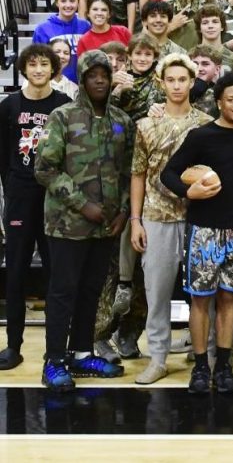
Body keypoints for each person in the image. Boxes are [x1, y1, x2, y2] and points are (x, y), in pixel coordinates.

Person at [35, 51, 132, 392]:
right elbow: (45, 168)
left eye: (105, 74)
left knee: (92, 291)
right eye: (93, 75)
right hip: (66, 224)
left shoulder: (121, 120)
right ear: (83, 78)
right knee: (63, 292)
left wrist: (122, 211)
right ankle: (54, 361)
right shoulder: (62, 116)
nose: (100, 80)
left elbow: (126, 172)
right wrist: (82, 204)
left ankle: (81, 353)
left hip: (106, 226)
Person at [160, 72, 233, 394]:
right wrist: (188, 194)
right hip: (203, 231)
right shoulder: (201, 136)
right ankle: (201, 367)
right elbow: (169, 172)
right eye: (231, 99)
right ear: (219, 102)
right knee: (200, 302)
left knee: (230, 299)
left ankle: (224, 365)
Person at [128, 54, 213, 385]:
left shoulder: (207, 123)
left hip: (200, 218)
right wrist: (136, 220)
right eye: (171, 80)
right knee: (158, 292)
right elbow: (138, 173)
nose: (177, 86)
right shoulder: (146, 125)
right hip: (156, 217)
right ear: (162, 84)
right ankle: (158, 357)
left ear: (192, 83)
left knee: (203, 294)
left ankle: (205, 355)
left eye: (183, 80)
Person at [0, 45, 72, 370]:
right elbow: (2, 154)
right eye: (33, 64)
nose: (39, 69)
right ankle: (13, 346)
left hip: (54, 199)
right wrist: (13, 187)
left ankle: (55, 350)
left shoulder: (64, 105)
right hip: (19, 197)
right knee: (15, 273)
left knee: (56, 275)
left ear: (53, 69)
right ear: (24, 69)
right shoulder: (9, 105)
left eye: (45, 64)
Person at [34, 0, 90, 85]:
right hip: (54, 84)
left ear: (78, 3)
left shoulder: (85, 26)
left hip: (82, 84)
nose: (68, 5)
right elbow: (37, 61)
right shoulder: (42, 29)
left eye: (72, 1)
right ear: (57, 3)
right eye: (63, 1)